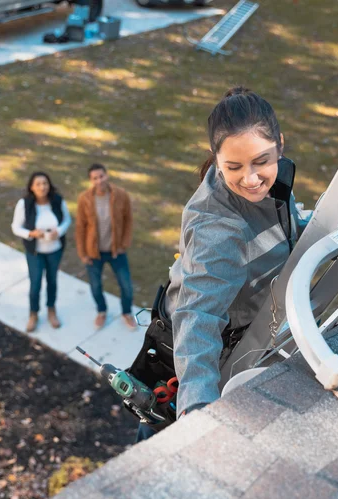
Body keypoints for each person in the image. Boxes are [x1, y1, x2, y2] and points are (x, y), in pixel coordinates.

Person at [131, 87, 306, 441]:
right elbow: (198, 319)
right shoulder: (219, 228)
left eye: (261, 161)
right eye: (234, 167)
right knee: (159, 451)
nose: (252, 178)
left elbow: (285, 226)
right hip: (205, 352)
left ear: (281, 145)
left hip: (239, 333)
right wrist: (197, 416)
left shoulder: (274, 182)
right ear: (215, 159)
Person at [75, 163, 137, 330]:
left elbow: (128, 220)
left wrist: (124, 244)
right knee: (95, 286)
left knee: (126, 286)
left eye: (101, 176)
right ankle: (101, 312)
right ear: (90, 180)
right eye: (94, 178)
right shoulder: (85, 198)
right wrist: (83, 253)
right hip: (93, 253)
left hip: (116, 251)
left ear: (106, 175)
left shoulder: (120, 195)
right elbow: (80, 226)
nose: (99, 180)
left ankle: (127, 313)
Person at [11, 172, 71, 332]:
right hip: (35, 252)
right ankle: (34, 313)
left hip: (55, 250)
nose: (42, 187)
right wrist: (31, 234)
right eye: (38, 184)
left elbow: (67, 220)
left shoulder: (57, 200)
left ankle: (51, 310)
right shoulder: (24, 204)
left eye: (45, 183)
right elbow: (16, 227)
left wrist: (58, 231)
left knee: (52, 282)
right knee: (35, 283)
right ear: (32, 187)